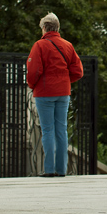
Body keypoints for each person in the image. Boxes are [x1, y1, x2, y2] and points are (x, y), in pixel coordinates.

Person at [26, 13, 84, 178]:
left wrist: (32, 85)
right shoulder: (67, 45)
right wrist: (66, 80)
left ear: (44, 28)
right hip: (63, 92)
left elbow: (34, 70)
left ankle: (49, 169)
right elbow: (78, 71)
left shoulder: (40, 45)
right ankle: (61, 169)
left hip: (45, 92)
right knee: (61, 130)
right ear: (57, 27)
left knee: (48, 130)